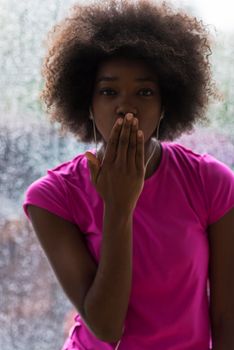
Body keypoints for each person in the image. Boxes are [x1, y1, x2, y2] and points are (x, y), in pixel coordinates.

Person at [22, 0, 234, 349]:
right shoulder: (52, 197)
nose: (126, 105)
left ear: (167, 104)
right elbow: (107, 328)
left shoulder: (211, 181)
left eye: (145, 92)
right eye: (108, 91)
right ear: (87, 104)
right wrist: (119, 208)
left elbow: (226, 316)